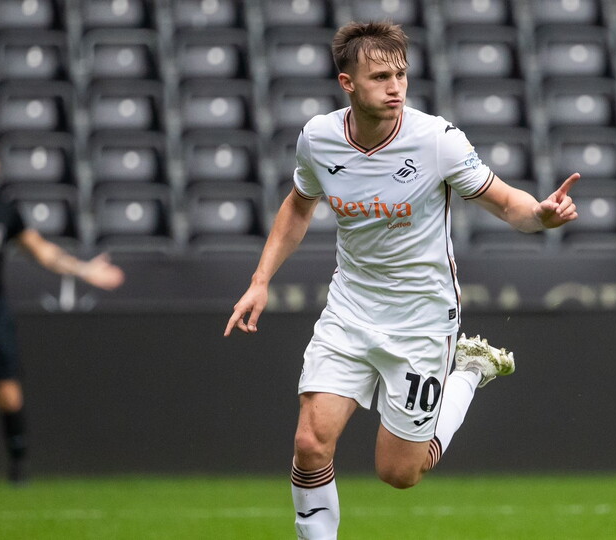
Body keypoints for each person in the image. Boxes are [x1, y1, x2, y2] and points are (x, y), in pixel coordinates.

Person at [224, 21, 579, 539]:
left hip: (421, 318)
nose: (395, 88)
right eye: (380, 77)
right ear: (347, 83)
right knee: (310, 443)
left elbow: (507, 203)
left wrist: (541, 215)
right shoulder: (318, 138)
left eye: (401, 75)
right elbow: (299, 205)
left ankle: (470, 372)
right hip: (350, 309)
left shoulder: (436, 140)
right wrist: (261, 280)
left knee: (399, 473)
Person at [0, 138, 125, 483]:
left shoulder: (5, 211)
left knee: (7, 391)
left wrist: (84, 270)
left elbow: (42, 252)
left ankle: (18, 464)